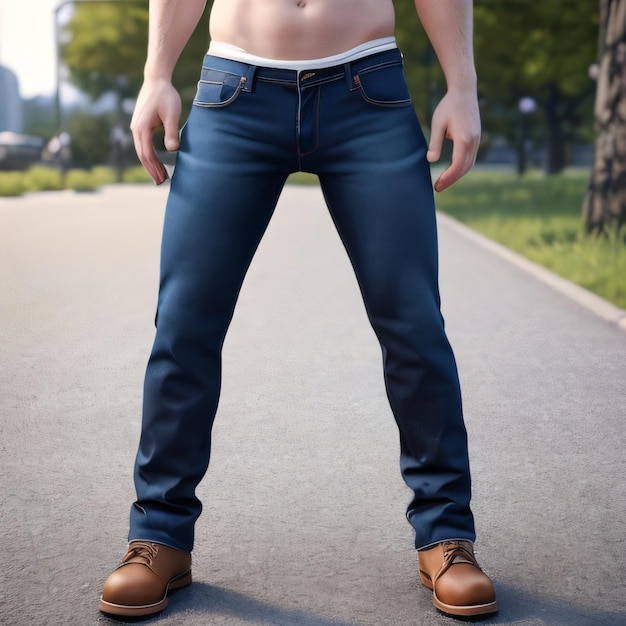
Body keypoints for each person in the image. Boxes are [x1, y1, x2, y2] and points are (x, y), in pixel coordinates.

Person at [99, 0, 497, 619]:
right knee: (184, 323)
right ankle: (159, 538)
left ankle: (447, 539)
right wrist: (156, 75)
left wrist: (462, 85)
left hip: (368, 93)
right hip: (235, 93)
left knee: (413, 324)